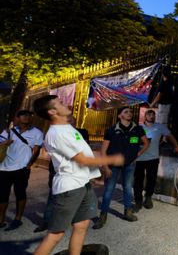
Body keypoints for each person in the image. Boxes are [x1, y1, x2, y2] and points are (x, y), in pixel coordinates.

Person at [32, 95, 124, 255]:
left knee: (82, 225)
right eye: (60, 103)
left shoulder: (66, 127)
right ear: (53, 111)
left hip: (82, 184)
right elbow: (82, 159)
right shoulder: (56, 134)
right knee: (55, 234)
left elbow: (84, 150)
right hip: (69, 188)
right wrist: (112, 159)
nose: (66, 103)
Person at [94, 106, 149, 229]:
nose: (129, 113)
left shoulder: (138, 129)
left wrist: (137, 155)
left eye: (130, 112)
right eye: (126, 112)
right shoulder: (112, 130)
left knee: (128, 188)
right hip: (113, 165)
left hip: (129, 164)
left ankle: (127, 212)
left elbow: (146, 143)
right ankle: (103, 216)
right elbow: (103, 150)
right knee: (109, 189)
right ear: (119, 116)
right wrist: (105, 166)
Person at [34, 115, 89, 233]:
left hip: (77, 170)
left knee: (77, 195)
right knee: (53, 195)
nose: (70, 124)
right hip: (59, 170)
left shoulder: (82, 132)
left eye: (72, 122)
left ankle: (70, 220)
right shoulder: (56, 134)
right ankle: (47, 221)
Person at [0, 109, 43, 230]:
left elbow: (36, 149)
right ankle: (1, 219)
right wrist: (5, 143)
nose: (26, 117)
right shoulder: (8, 131)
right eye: (23, 115)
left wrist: (29, 164)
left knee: (20, 193)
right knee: (2, 195)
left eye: (29, 115)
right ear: (17, 118)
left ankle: (18, 219)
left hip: (22, 168)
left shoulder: (37, 133)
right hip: (4, 168)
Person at [133, 109, 178, 212]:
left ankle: (148, 198)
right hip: (139, 158)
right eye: (149, 115)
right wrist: (139, 142)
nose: (151, 116)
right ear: (145, 116)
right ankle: (138, 201)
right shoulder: (139, 128)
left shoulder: (159, 127)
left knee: (151, 179)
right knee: (138, 181)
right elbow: (132, 140)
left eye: (153, 115)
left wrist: (176, 146)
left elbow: (170, 135)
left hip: (153, 158)